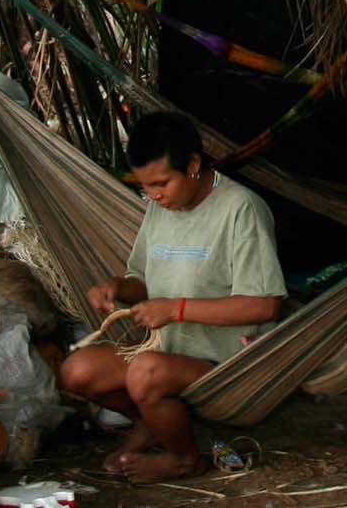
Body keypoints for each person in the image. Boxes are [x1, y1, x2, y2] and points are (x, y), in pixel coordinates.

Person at [56, 110, 286, 482]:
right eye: (146, 186)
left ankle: (183, 459)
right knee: (76, 371)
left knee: (145, 374)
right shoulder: (160, 208)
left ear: (193, 164)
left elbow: (264, 304)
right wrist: (116, 286)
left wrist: (176, 310)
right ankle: (152, 423)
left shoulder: (240, 209)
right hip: (166, 352)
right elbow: (143, 281)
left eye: (162, 183)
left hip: (226, 363)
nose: (154, 194)